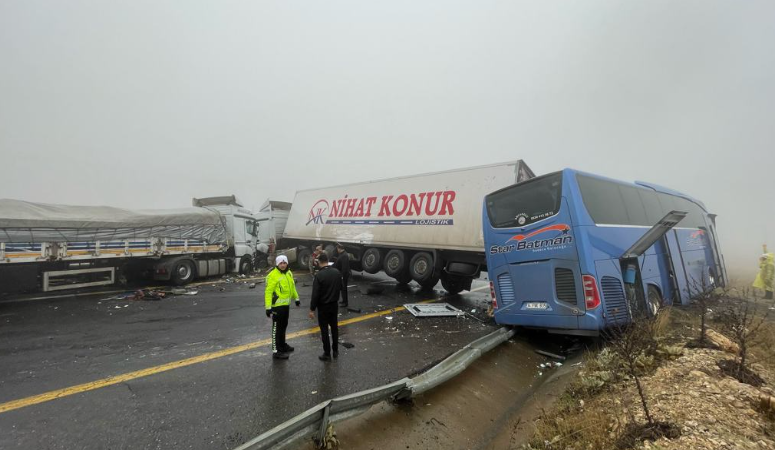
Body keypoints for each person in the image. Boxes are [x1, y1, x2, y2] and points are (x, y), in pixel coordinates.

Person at [265, 255, 300, 359]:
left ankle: (283, 345)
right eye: (281, 263)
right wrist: (268, 307)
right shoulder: (273, 275)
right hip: (276, 307)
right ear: (277, 264)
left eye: (284, 263)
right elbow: (268, 292)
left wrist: (296, 298)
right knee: (277, 329)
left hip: (285, 305)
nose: (283, 265)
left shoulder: (289, 273)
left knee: (284, 326)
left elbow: (292, 287)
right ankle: (276, 351)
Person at [308, 252, 342, 361]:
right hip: (334, 305)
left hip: (323, 307)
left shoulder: (319, 276)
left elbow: (315, 294)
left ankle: (327, 353)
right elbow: (340, 287)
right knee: (334, 328)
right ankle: (335, 350)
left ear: (319, 262)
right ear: (327, 260)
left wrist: (312, 309)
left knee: (324, 331)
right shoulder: (337, 272)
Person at [333, 243, 351, 307]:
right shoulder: (342, 254)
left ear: (339, 248)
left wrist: (342, 276)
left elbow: (344, 267)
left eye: (337, 249)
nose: (337, 250)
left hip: (344, 275)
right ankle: (343, 300)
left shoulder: (344, 255)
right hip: (342, 274)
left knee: (344, 288)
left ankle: (345, 302)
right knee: (342, 288)